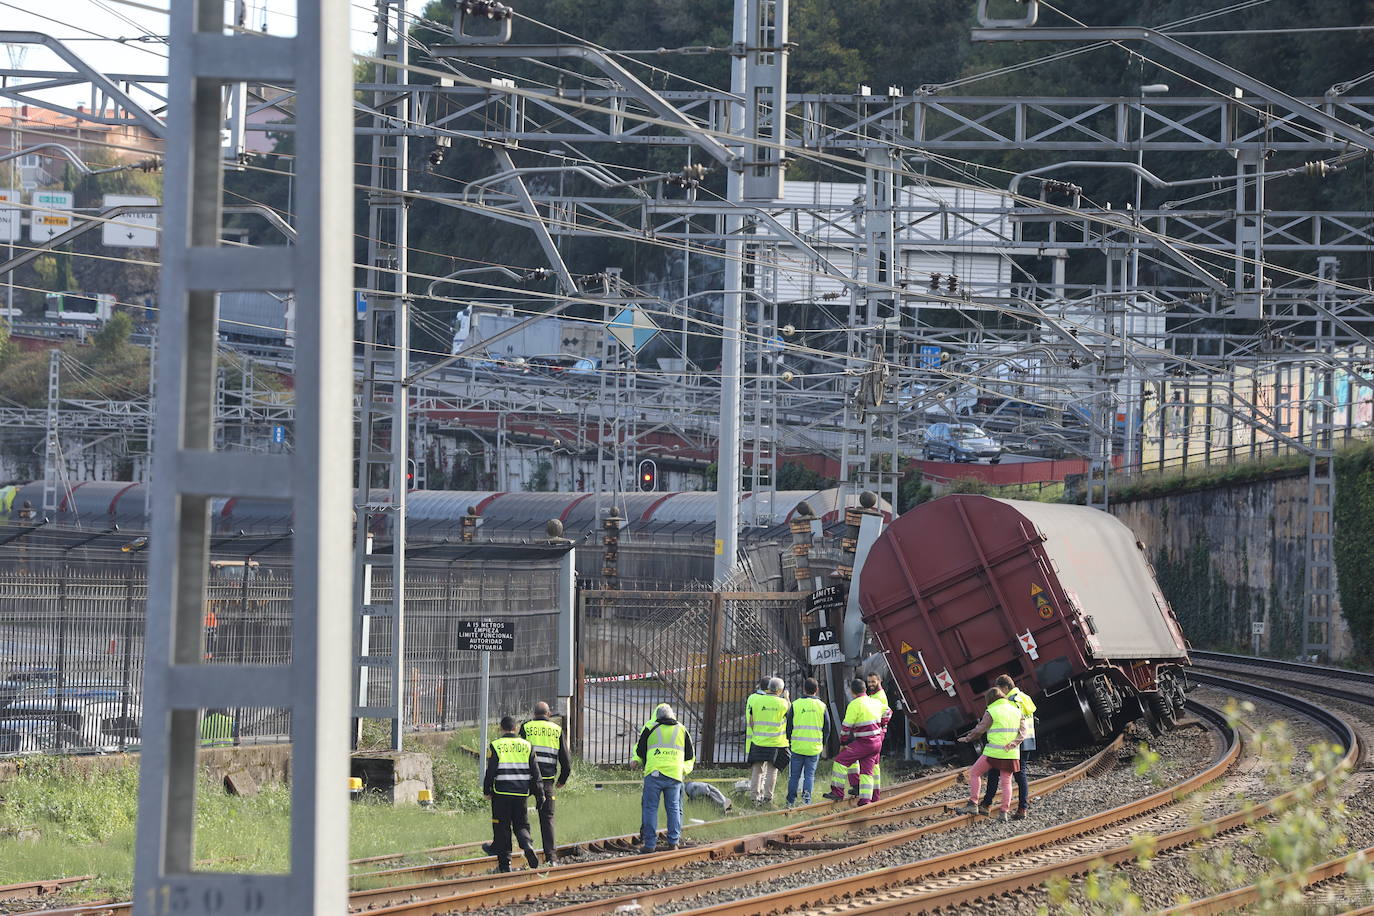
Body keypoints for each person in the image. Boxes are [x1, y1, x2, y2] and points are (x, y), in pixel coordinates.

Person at [953, 687, 1027, 823]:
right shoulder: (1016, 710)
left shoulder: (992, 711)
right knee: (1006, 782)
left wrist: (967, 738)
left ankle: (973, 804)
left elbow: (979, 729)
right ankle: (1004, 812)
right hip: (1011, 753)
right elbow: (1023, 732)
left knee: (974, 773)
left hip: (994, 752)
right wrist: (1014, 743)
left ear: (990, 699)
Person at [482, 715, 545, 872]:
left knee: (502, 827)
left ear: (501, 728)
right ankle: (527, 845)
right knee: (521, 824)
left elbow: (490, 771)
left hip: (501, 794)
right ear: (515, 728)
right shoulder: (527, 746)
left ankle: (505, 865)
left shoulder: (496, 745)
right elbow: (536, 773)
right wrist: (540, 794)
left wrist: (487, 790)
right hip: (521, 794)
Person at [635, 703, 695, 853]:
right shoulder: (682, 729)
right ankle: (673, 842)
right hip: (675, 774)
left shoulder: (650, 728)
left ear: (657, 716)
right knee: (673, 808)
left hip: (654, 773)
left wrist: (642, 763)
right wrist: (683, 770)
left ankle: (649, 844)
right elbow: (690, 755)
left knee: (650, 808)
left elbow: (640, 750)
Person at [520, 701, 571, 863]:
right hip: (547, 781)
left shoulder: (526, 727)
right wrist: (562, 779)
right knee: (547, 817)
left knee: (519, 814)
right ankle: (551, 857)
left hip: (526, 780)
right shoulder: (556, 730)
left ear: (534, 714)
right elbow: (566, 760)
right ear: (549, 714)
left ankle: (526, 842)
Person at [979, 674, 1036, 819]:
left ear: (1005, 687)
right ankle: (1021, 808)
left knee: (994, 771)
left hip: (1013, 743)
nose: (998, 694)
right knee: (1019, 775)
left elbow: (1007, 720)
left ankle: (987, 804)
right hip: (1028, 741)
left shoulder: (1010, 701)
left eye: (999, 690)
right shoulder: (1024, 696)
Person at [823, 678, 886, 805]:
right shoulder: (875, 702)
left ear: (852, 692)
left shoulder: (854, 704)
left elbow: (846, 728)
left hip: (864, 743)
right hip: (876, 743)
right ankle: (866, 800)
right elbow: (889, 712)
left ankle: (837, 792)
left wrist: (843, 743)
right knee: (867, 772)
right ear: (865, 689)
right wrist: (882, 728)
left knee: (840, 762)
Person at [846, 673, 891, 801]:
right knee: (874, 765)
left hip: (874, 735)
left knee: (865, 763)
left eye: (873, 682)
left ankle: (861, 789)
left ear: (880, 681)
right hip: (875, 734)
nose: (871, 684)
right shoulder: (874, 696)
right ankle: (874, 794)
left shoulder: (879, 697)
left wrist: (880, 727)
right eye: (869, 682)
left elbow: (885, 713)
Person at [746, 676, 790, 806]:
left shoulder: (757, 701)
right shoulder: (783, 703)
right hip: (776, 743)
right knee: (772, 771)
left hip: (758, 741)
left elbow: (751, 721)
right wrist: (787, 697)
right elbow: (791, 714)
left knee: (757, 770)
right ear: (780, 691)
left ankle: (754, 798)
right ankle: (768, 798)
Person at [785, 676, 828, 806]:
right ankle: (806, 801)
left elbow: (789, 726)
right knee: (809, 776)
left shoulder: (796, 704)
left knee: (794, 776)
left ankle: (790, 801)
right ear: (817, 690)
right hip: (814, 748)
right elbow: (827, 728)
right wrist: (822, 743)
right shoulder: (822, 706)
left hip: (797, 747)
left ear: (804, 689)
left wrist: (790, 741)